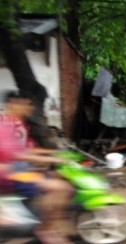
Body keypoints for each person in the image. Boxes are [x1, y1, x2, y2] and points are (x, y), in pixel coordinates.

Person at [0, 90, 72, 243]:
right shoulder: (4, 125)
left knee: (57, 176)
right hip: (10, 173)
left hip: (19, 169)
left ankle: (41, 213)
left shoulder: (19, 125)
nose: (29, 108)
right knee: (61, 188)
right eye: (24, 104)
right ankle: (46, 229)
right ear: (12, 105)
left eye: (28, 104)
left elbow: (28, 149)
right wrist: (55, 159)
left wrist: (54, 153)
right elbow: (18, 155)